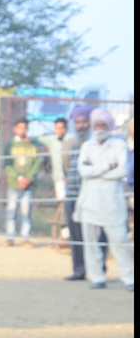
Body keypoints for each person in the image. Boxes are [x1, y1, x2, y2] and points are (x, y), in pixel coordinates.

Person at [74, 110, 133, 290]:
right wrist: (107, 167)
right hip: (89, 201)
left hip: (111, 202)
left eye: (103, 125)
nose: (100, 128)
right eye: (97, 125)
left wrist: (95, 169)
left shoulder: (119, 145)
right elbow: (83, 171)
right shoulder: (87, 146)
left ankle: (129, 278)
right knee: (91, 244)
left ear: (109, 126)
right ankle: (97, 278)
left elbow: (122, 170)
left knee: (120, 241)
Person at [63, 106, 105, 281]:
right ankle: (79, 270)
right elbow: (66, 165)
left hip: (92, 197)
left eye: (85, 121)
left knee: (97, 235)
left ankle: (99, 270)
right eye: (78, 122)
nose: (81, 125)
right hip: (72, 196)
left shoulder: (97, 143)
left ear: (91, 123)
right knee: (76, 236)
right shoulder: (69, 143)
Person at [4, 118, 41, 246]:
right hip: (14, 184)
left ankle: (25, 238)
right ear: (15, 129)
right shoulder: (10, 145)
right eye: (20, 128)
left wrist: (28, 178)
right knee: (11, 211)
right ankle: (10, 237)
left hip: (29, 185)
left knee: (27, 212)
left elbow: (37, 163)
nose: (22, 130)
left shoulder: (33, 145)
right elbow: (7, 165)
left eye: (25, 128)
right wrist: (20, 178)